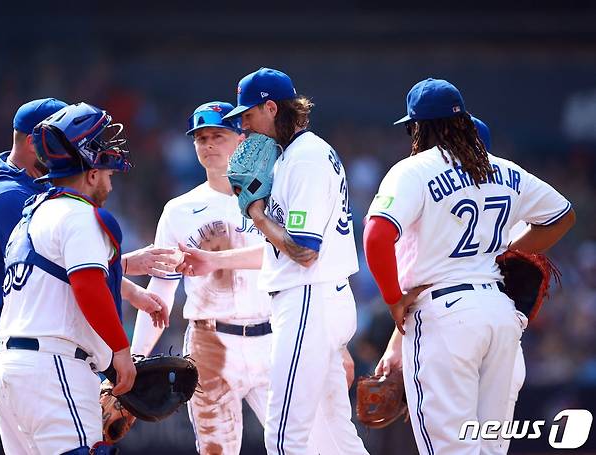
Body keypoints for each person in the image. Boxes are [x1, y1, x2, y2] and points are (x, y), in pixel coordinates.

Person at [364, 78, 576, 455]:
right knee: (491, 449)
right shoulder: (505, 169)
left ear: (418, 127)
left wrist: (393, 298)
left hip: (443, 316)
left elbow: (376, 236)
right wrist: (504, 255)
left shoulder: (413, 170)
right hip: (500, 314)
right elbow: (562, 216)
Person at [0, 99, 173, 454]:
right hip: (48, 360)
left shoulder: (35, 208)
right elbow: (86, 283)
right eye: (105, 172)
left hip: (14, 358)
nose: (109, 178)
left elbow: (60, 270)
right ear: (90, 172)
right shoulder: (42, 204)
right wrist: (118, 355)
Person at [218, 68, 368, 455]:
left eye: (247, 115)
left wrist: (256, 212)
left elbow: (304, 251)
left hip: (307, 297)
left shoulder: (305, 157)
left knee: (284, 435)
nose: (244, 126)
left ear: (271, 107)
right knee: (334, 435)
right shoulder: (297, 155)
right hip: (322, 298)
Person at [132, 101, 274, 455]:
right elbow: (162, 286)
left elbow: (294, 257)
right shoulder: (179, 209)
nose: (208, 144)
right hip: (210, 341)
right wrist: (135, 357)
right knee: (215, 451)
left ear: (241, 138)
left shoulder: (274, 195)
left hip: (274, 334)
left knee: (295, 443)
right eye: (201, 138)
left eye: (218, 135)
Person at [0, 98, 68, 454]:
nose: (65, 151)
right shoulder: (7, 195)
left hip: (6, 344)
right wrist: (129, 273)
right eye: (58, 141)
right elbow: (59, 267)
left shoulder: (26, 187)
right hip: (0, 343)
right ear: (32, 141)